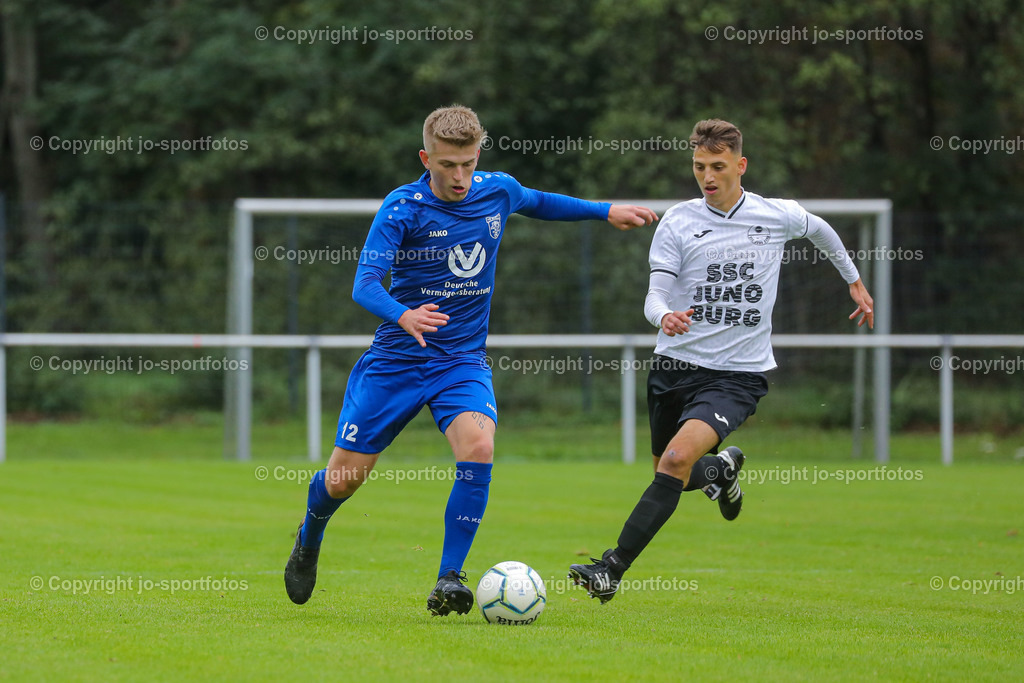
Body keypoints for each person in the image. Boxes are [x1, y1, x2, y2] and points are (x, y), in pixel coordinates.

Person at [284, 104, 658, 616]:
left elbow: (542, 202)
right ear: (426, 158)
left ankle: (449, 578)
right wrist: (403, 315)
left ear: (478, 154)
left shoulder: (497, 190)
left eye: (467, 163)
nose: (459, 176)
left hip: (461, 360)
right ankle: (310, 534)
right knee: (344, 480)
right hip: (397, 360)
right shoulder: (402, 208)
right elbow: (364, 285)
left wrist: (604, 210)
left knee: (479, 446)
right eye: (446, 165)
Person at [568, 118, 874, 603]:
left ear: (740, 165)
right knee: (673, 474)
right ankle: (723, 471)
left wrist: (853, 281)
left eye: (717, 166)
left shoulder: (777, 215)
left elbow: (823, 232)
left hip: (737, 375)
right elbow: (655, 295)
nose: (707, 176)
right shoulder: (679, 221)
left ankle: (611, 568)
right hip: (673, 367)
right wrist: (664, 316)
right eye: (698, 167)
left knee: (675, 459)